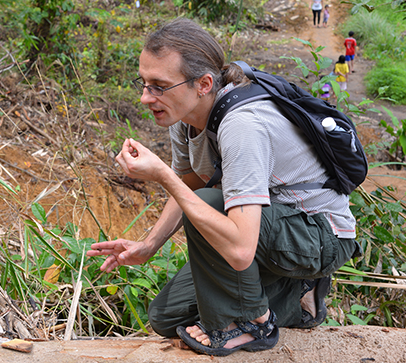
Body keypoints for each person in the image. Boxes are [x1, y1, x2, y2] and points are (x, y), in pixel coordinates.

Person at [87, 18, 361, 357]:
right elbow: (194, 180)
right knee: (167, 315)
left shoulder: (241, 126)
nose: (146, 97)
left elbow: (240, 247)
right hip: (270, 230)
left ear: (203, 84)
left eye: (159, 85)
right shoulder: (185, 116)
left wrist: (162, 175)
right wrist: (148, 245)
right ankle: (297, 298)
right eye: (143, 83)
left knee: (207, 204)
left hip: (318, 236)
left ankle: (254, 323)